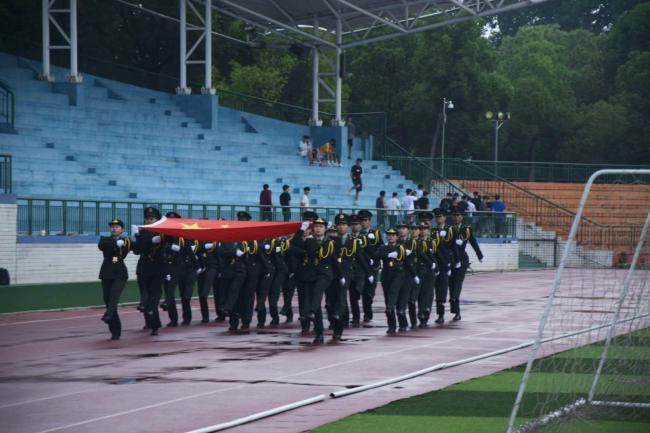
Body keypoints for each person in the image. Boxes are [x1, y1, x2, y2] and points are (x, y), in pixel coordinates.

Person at [131, 206, 165, 336]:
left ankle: (154, 325)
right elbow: (137, 250)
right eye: (147, 218)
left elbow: (167, 246)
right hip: (144, 267)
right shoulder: (142, 232)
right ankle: (149, 321)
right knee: (144, 294)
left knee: (154, 294)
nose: (149, 220)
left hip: (158, 267)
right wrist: (135, 237)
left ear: (157, 220)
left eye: (152, 218)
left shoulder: (163, 232)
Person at [98, 218, 131, 340]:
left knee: (114, 295)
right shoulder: (105, 239)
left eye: (117, 227)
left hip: (119, 273)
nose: (114, 229)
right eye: (112, 227)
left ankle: (108, 315)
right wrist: (115, 244)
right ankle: (115, 331)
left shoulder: (126, 240)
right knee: (108, 300)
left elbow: (124, 254)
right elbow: (102, 246)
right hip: (106, 273)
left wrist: (138, 236)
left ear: (122, 229)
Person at [449, 209, 483, 321]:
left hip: (462, 259)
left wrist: (479, 255)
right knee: (451, 284)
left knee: (457, 282)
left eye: (458, 215)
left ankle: (455, 301)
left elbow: (473, 241)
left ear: (462, 217)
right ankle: (455, 309)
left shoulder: (466, 229)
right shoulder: (449, 228)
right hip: (451, 259)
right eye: (454, 215)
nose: (456, 217)